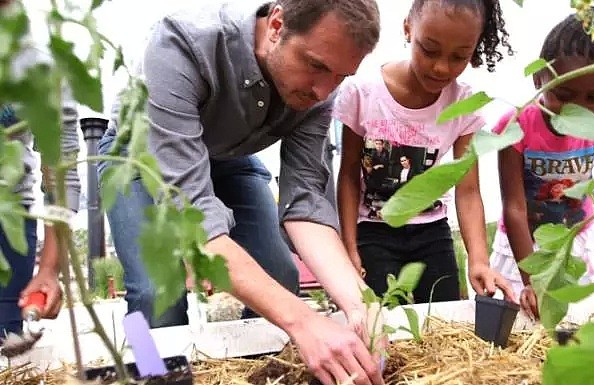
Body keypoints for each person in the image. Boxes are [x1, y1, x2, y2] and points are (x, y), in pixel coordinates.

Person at [97, 1, 385, 384]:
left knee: (280, 274)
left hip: (227, 156)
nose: (323, 90)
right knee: (153, 290)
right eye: (315, 65)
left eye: (340, 75)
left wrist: (359, 303)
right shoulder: (181, 43)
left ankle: (258, 375)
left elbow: (306, 203)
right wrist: (303, 321)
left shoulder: (321, 92)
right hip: (140, 156)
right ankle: (150, 373)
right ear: (277, 24)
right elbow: (195, 219)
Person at [333, 0, 516, 304]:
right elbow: (349, 174)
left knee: (441, 318)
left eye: (459, 56)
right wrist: (349, 248)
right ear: (408, 28)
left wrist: (479, 260)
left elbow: (468, 189)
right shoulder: (362, 94)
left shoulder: (464, 104)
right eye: (429, 50)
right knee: (381, 319)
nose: (442, 67)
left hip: (432, 234)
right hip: (373, 232)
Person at [489, 6, 594, 319]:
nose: (578, 110)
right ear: (539, 78)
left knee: (590, 317)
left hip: (578, 240)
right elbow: (514, 208)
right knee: (532, 323)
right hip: (526, 247)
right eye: (563, 94)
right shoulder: (515, 127)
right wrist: (533, 281)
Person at [0, 0, 80, 337]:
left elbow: (61, 177)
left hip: (9, 225)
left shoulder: (42, 67)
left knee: (7, 341)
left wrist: (49, 268)